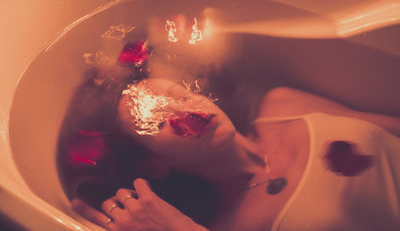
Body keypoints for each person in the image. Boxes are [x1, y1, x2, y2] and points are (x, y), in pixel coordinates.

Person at [72, 78, 400, 231]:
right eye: (158, 122)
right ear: (155, 164)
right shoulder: (231, 226)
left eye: (179, 95)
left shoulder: (282, 106)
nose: (186, 114)